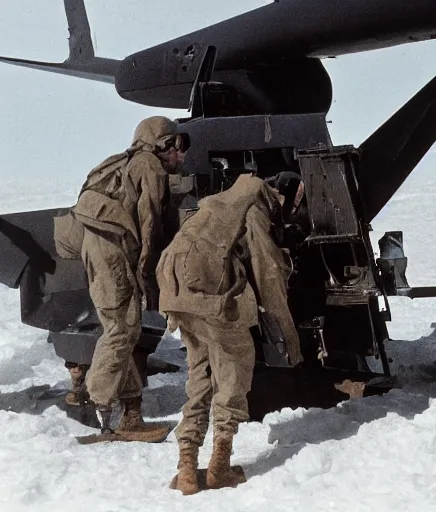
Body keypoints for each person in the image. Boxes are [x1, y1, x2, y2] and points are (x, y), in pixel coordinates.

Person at [158, 172, 304, 495]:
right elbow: (269, 276)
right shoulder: (255, 209)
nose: (293, 209)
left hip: (175, 281)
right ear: (279, 195)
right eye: (294, 201)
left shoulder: (223, 201)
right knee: (235, 364)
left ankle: (186, 467)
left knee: (200, 372)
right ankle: (219, 467)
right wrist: (290, 338)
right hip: (207, 282)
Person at [61, 116, 187, 436]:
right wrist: (149, 276)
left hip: (95, 247)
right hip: (112, 251)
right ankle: (100, 400)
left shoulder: (117, 162)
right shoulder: (150, 166)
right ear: (163, 145)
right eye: (178, 145)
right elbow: (149, 226)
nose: (181, 154)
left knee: (124, 329)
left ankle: (131, 414)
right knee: (122, 329)